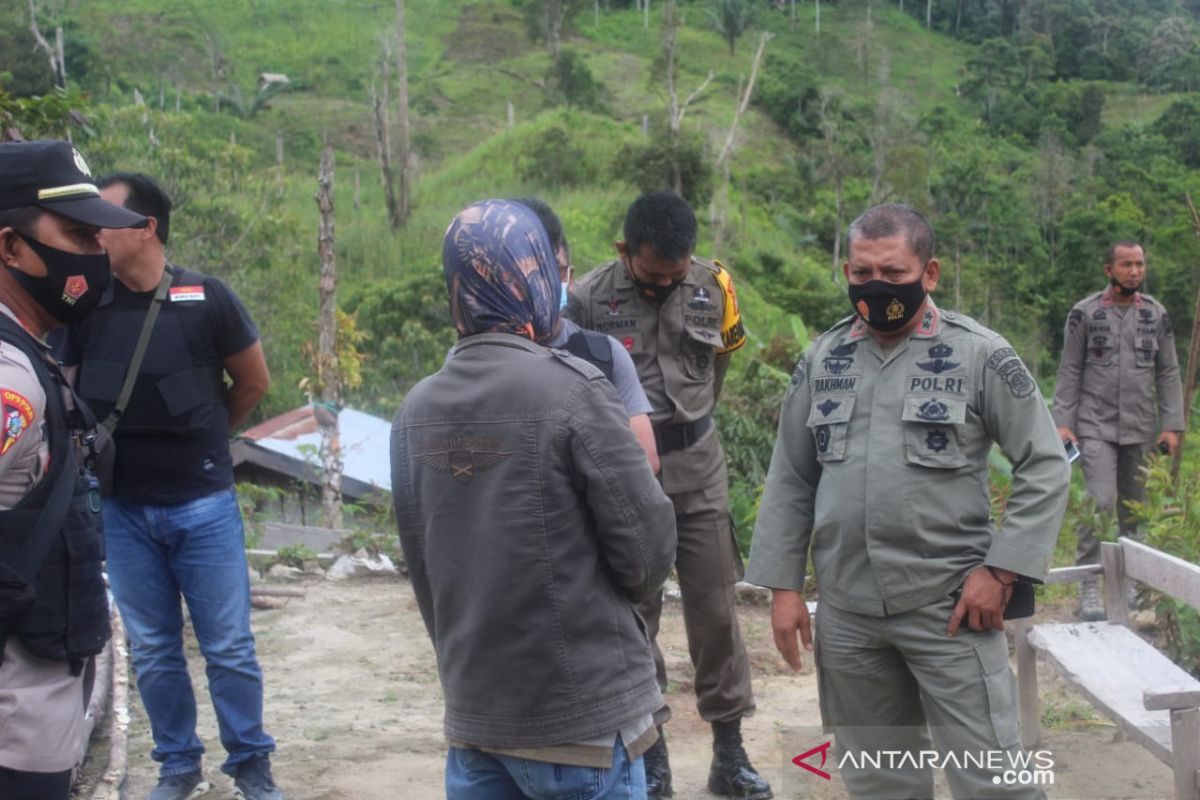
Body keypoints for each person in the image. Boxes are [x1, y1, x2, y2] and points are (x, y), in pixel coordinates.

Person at [747, 203, 1070, 799]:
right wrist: (785, 588)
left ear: (931, 273)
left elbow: (1045, 463)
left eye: (894, 274)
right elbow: (792, 476)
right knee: (878, 781)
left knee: (995, 781)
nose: (875, 287)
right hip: (847, 613)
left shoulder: (979, 354)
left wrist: (1001, 570)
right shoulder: (824, 357)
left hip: (950, 606)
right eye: (861, 272)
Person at [391, 198, 677, 798]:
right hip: (582, 725)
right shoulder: (574, 391)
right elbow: (648, 550)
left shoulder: (413, 411)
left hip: (475, 722)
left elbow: (424, 570)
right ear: (538, 277)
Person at [53, 173, 281, 800]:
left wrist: (209, 445)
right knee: (153, 649)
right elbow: (68, 393)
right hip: (123, 509)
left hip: (202, 504)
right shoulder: (85, 308)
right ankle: (178, 764)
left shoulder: (208, 298)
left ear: (147, 228)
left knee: (228, 645)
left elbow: (253, 382)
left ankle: (251, 765)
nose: (93, 231)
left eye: (105, 218)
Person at [565, 191, 769, 800]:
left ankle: (729, 754)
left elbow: (719, 368)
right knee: (636, 616)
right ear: (625, 253)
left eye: (676, 275)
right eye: (654, 275)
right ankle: (651, 759)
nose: (666, 284)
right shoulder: (587, 301)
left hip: (699, 465)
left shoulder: (715, 286)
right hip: (625, 469)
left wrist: (689, 421)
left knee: (716, 611)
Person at [0, 140, 146, 799]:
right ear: (10, 247)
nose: (95, 253)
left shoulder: (31, 355)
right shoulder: (9, 379)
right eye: (77, 235)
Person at [1052, 240, 1184, 621]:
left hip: (1141, 427)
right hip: (1095, 426)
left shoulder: (1156, 316)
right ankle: (1089, 584)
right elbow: (1070, 369)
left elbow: (1168, 372)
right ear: (1108, 270)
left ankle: (1133, 584)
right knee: (1100, 500)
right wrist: (1064, 422)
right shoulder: (1085, 314)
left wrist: (1171, 426)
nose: (1135, 271)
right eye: (1126, 264)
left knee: (1135, 509)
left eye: (1140, 264)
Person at [512, 196, 659, 472]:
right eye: (528, 274)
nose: (542, 287)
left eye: (554, 271)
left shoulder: (606, 356)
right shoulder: (472, 362)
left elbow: (646, 463)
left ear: (569, 275)